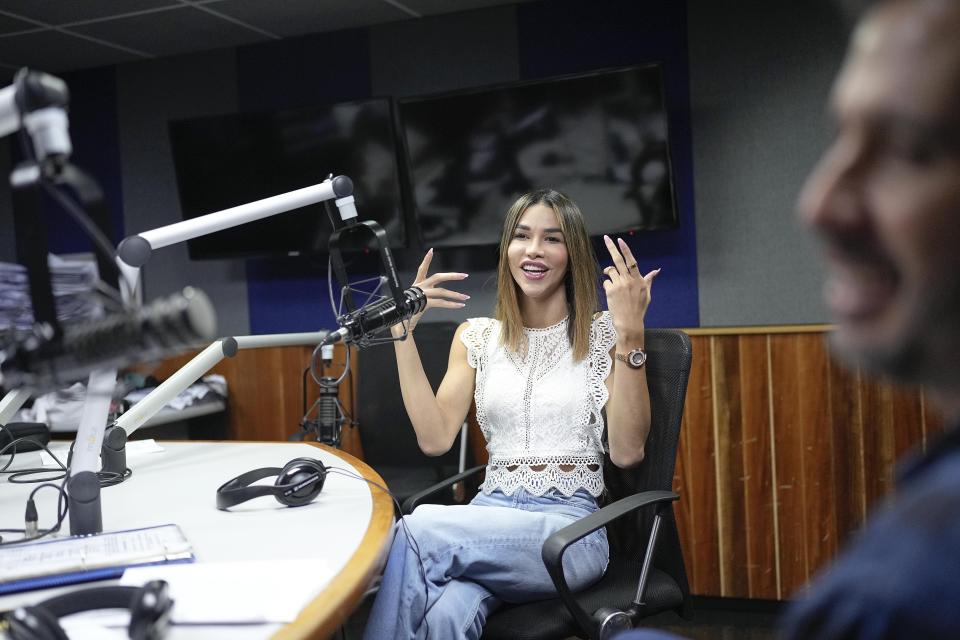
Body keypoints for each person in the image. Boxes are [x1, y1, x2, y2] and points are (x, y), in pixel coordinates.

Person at [362, 188, 659, 639]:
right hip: (488, 518)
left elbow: (627, 452)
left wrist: (631, 335)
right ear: (507, 250)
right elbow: (435, 438)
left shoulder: (604, 335)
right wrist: (402, 337)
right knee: (445, 616)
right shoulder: (475, 338)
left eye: (552, 239)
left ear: (572, 253)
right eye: (522, 236)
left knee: (418, 530)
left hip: (569, 532)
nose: (534, 249)